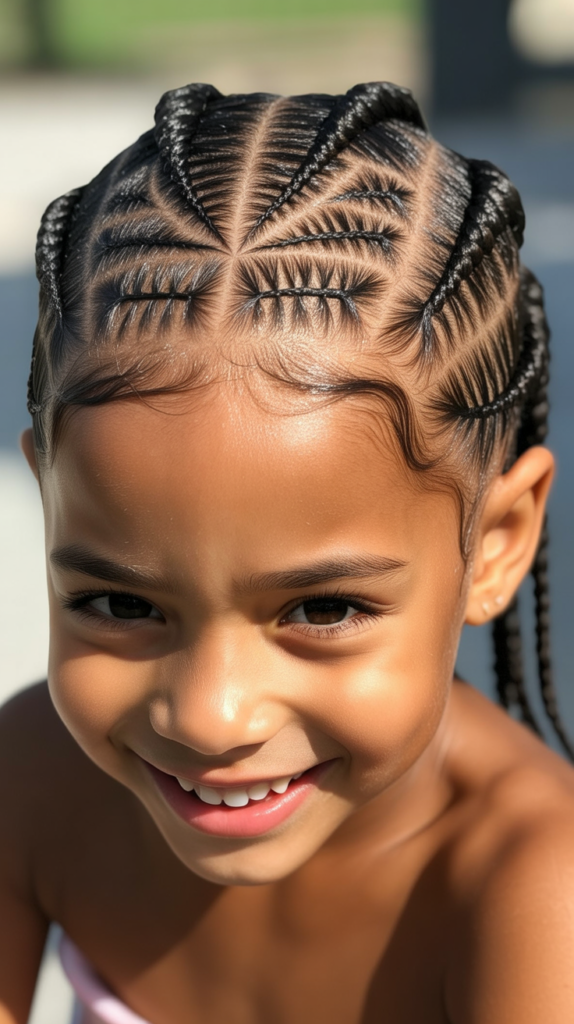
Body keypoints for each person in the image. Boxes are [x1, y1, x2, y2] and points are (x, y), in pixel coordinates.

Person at [1, 81, 574, 1024]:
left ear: (496, 545)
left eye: (321, 609)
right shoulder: (34, 779)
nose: (210, 716)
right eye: (123, 605)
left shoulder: (529, 895)